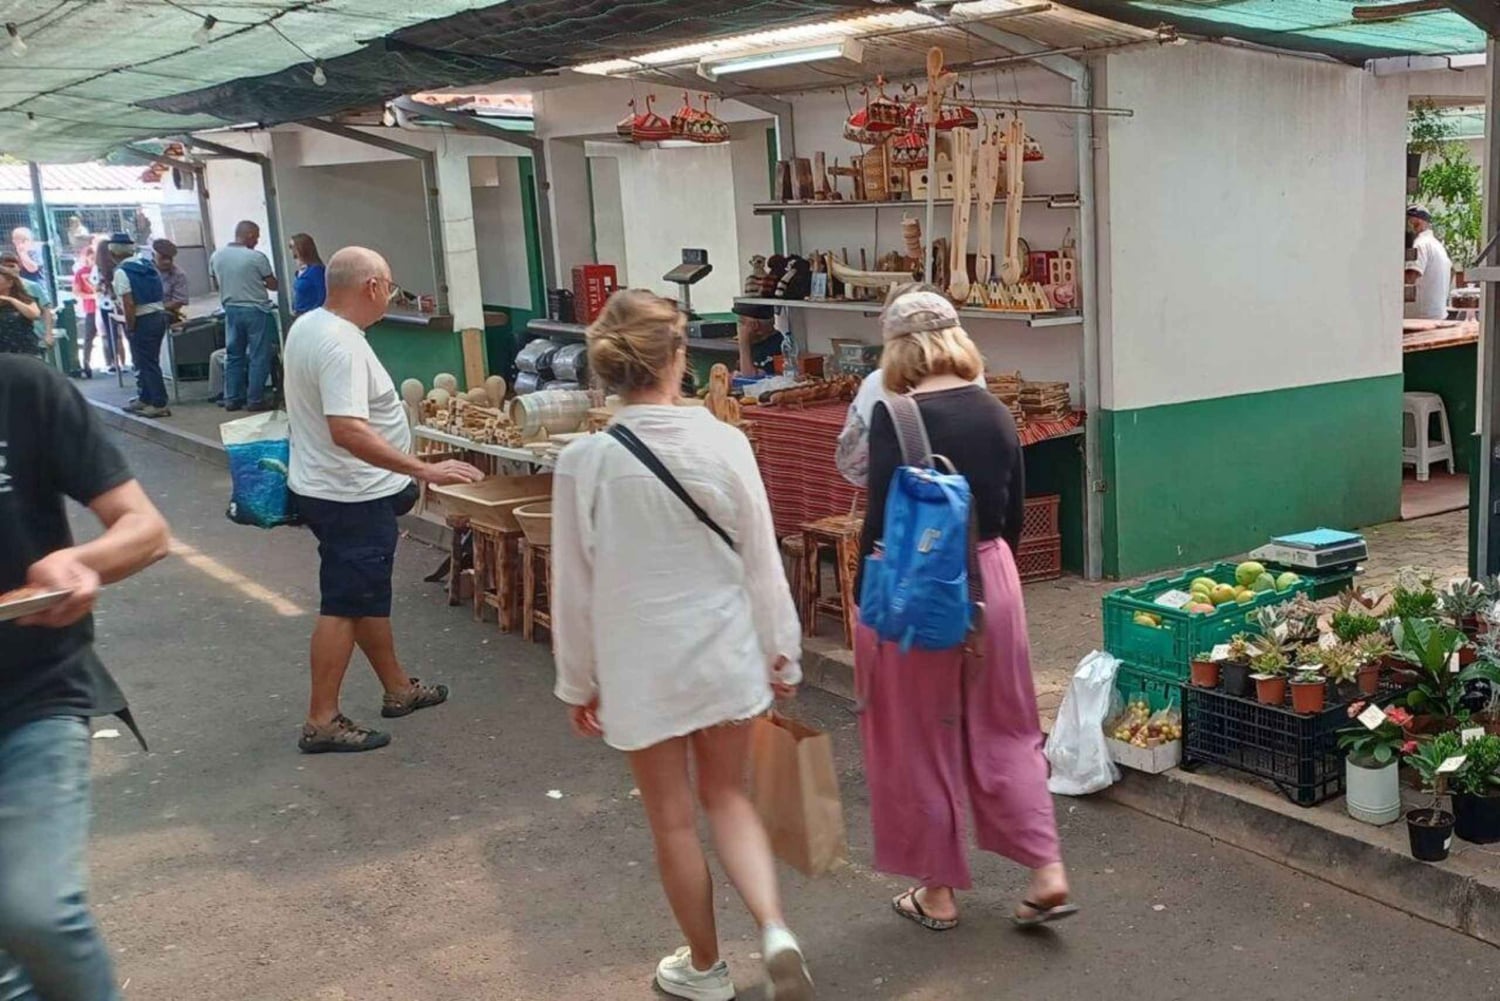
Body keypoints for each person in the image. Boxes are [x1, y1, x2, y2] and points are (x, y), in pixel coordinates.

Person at [552, 289, 814, 1001]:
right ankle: (774, 928)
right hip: (726, 655)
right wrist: (781, 651)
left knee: (672, 819)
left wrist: (579, 681)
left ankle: (704, 967)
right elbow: (763, 559)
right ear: (678, 359)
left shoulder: (586, 461)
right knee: (729, 797)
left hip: (641, 667)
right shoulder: (725, 441)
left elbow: (573, 587)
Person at [855, 286, 1074, 933]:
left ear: (898, 349)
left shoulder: (894, 419)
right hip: (993, 582)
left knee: (919, 736)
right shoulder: (998, 412)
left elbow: (880, 527)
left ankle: (939, 892)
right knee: (1007, 726)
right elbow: (1012, 517)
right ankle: (1046, 870)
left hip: (919, 591)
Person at [0, 353, 171, 1000]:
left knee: (33, 911)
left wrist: (81, 562)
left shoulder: (23, 390)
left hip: (32, 695)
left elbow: (147, 530)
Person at [284, 246, 481, 753]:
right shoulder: (340, 345)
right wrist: (422, 468)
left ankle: (398, 688)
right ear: (372, 286)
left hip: (329, 486)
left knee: (365, 595)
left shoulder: (308, 326)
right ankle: (321, 719)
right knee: (344, 605)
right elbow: (347, 429)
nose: (389, 297)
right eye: (389, 288)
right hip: (350, 493)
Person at [209, 220, 278, 412]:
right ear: (248, 235)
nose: (257, 240)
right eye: (256, 236)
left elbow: (216, 285)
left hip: (230, 309)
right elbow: (273, 284)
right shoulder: (256, 257)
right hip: (256, 311)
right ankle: (254, 400)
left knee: (234, 355)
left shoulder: (216, 256)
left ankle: (232, 398)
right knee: (258, 356)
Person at [108, 234, 171, 419]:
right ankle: (145, 397)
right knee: (147, 360)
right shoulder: (147, 265)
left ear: (113, 252)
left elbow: (128, 303)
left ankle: (158, 402)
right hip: (158, 315)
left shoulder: (122, 272)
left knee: (146, 362)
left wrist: (130, 325)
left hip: (142, 318)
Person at [0, 251, 54, 360]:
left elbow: (41, 311)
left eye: (12, 266)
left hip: (27, 346)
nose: (10, 269)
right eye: (5, 266)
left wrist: (48, 333)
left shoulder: (31, 288)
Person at [1406, 206, 1453, 321]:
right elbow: (1452, 272)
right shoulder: (1438, 245)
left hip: (1420, 318)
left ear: (1416, 221)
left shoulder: (1420, 244)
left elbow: (1411, 277)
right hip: (1438, 314)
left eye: (1409, 220)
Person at [92, 236, 127, 374]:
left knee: (110, 334)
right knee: (126, 332)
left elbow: (96, 287)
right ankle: (126, 363)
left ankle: (114, 363)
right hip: (121, 302)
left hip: (106, 304)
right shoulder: (119, 265)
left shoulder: (98, 268)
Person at [0, 267, 41, 355]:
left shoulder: (25, 300)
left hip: (23, 348)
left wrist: (11, 300)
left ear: (10, 283)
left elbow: (34, 315)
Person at [72, 244, 98, 376]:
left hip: (104, 307)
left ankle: (115, 363)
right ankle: (86, 363)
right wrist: (91, 296)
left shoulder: (101, 270)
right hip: (91, 308)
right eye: (92, 258)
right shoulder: (81, 272)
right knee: (89, 336)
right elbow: (76, 291)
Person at [152, 239, 191, 322]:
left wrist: (154, 308)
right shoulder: (145, 271)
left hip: (167, 316)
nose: (167, 261)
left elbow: (179, 301)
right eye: (163, 258)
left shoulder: (178, 275)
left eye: (170, 258)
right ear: (153, 255)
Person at [290, 232, 327, 316]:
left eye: (293, 247)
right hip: (299, 313)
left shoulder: (316, 271)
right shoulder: (302, 270)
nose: (291, 251)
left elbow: (322, 295)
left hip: (312, 315)